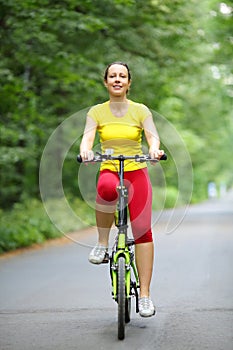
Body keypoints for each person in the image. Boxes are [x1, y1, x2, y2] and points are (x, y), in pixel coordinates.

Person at [80, 62, 164, 317]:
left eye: (122, 76)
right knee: (105, 189)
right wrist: (85, 150)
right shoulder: (96, 112)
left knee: (142, 232)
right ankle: (103, 244)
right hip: (110, 167)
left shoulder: (140, 110)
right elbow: (88, 137)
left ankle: (146, 297)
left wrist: (153, 150)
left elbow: (153, 136)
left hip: (136, 170)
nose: (117, 79)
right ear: (106, 82)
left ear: (129, 83)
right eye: (112, 76)